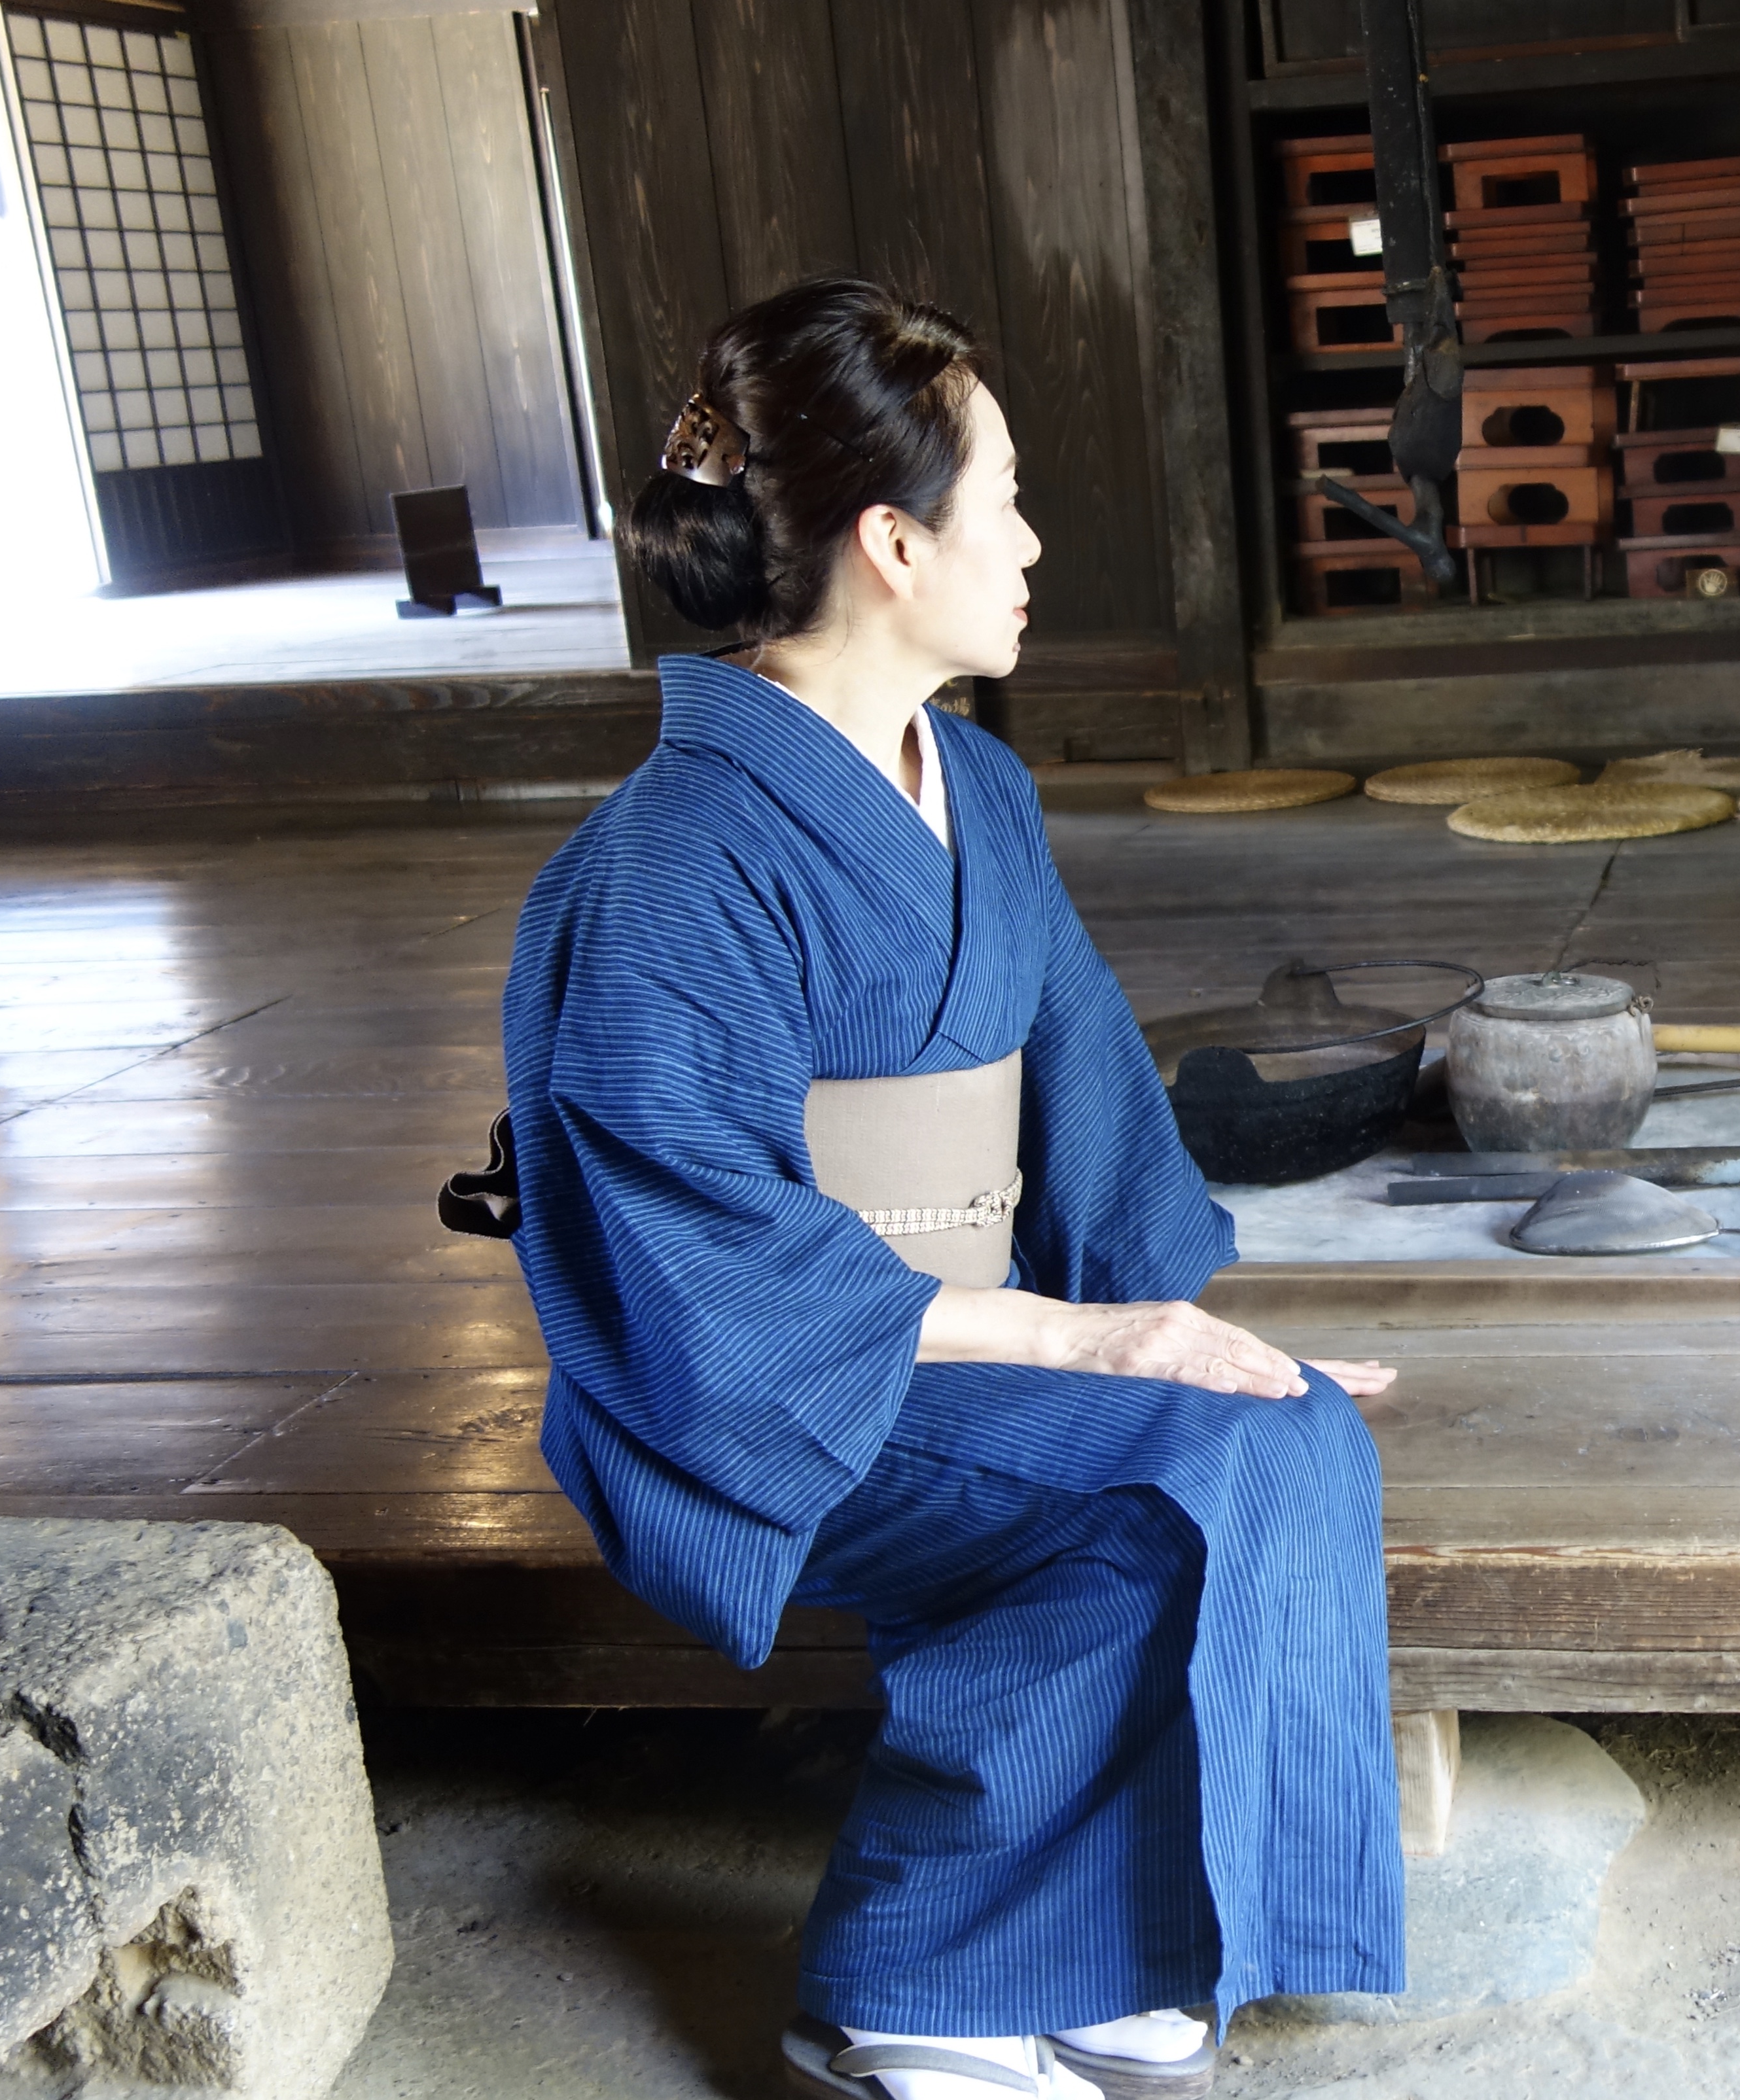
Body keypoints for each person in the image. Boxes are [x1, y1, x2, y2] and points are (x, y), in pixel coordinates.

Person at [500, 278, 1404, 2100]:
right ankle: (912, 1989)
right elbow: (698, 1252)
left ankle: (1112, 1942)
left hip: (956, 1338)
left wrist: (1159, 1320)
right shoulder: (670, 861)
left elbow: (1084, 1073)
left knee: (1284, 1431)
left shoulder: (975, 783)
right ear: (893, 543)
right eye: (1005, 499)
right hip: (768, 1390)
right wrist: (1081, 1344)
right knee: (1146, 1497)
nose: (1035, 543)